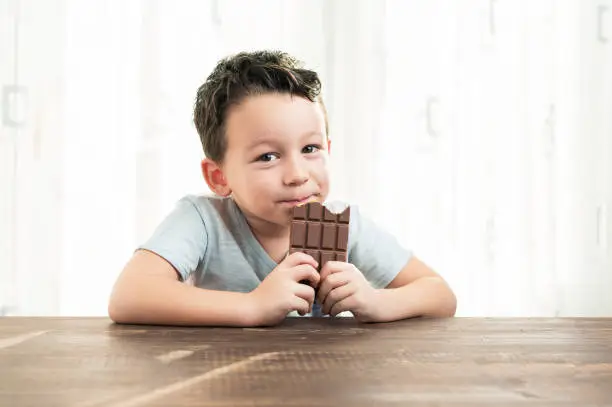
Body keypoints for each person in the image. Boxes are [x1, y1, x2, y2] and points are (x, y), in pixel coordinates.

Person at [108, 50, 457, 327]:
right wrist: (252, 306)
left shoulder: (346, 225)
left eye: (310, 149)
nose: (297, 175)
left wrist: (377, 301)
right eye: (268, 156)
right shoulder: (203, 220)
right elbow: (129, 295)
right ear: (219, 177)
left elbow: (440, 294)